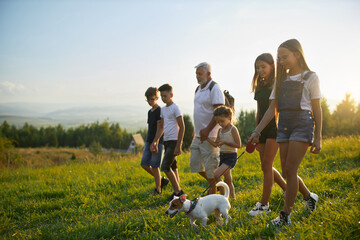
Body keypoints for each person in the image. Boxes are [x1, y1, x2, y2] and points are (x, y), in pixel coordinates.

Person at [248, 39, 322, 227]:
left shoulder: (311, 77)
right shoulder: (280, 80)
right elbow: (272, 108)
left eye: (285, 57)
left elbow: (316, 108)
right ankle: (309, 197)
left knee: (290, 169)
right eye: (279, 58)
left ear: (297, 54)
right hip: (284, 126)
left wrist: (318, 136)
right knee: (287, 171)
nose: (281, 61)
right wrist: (257, 130)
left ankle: (285, 216)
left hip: (302, 124)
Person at [248, 54, 287, 216]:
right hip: (261, 130)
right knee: (266, 166)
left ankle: (264, 205)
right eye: (258, 67)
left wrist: (260, 130)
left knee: (266, 165)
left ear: (272, 66)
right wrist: (257, 131)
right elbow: (259, 111)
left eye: (263, 66)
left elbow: (274, 109)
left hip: (275, 128)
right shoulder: (260, 85)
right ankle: (289, 189)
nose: (260, 70)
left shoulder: (277, 84)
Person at [190, 62, 225, 194]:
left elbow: (219, 113)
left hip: (210, 136)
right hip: (198, 134)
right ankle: (215, 186)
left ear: (209, 74)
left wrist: (207, 130)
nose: (197, 77)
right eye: (196, 74)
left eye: (200, 74)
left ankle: (220, 194)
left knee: (211, 168)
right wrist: (197, 129)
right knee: (196, 165)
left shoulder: (214, 88)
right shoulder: (198, 89)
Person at [151, 83, 185, 200]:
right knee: (173, 167)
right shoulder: (163, 110)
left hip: (174, 141)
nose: (163, 98)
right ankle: (178, 191)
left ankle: (178, 191)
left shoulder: (175, 108)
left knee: (165, 166)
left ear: (171, 95)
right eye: (161, 96)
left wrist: (179, 145)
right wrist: (155, 141)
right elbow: (161, 127)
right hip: (166, 141)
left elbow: (182, 126)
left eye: (165, 96)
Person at [207, 106, 241, 199]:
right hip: (222, 156)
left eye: (222, 121)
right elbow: (216, 144)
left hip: (231, 157)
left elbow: (238, 144)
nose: (220, 124)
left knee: (217, 175)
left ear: (229, 117)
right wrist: (207, 139)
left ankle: (223, 198)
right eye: (218, 122)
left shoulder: (233, 129)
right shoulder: (220, 130)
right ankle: (233, 197)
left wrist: (225, 142)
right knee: (228, 180)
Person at [141, 87, 169, 195]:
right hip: (149, 141)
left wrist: (156, 141)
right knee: (144, 164)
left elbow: (161, 128)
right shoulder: (150, 111)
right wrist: (149, 141)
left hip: (158, 141)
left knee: (155, 166)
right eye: (148, 100)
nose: (150, 102)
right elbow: (150, 127)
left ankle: (158, 189)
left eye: (152, 99)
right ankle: (162, 179)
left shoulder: (159, 110)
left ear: (157, 98)